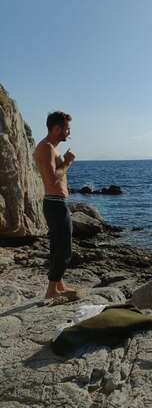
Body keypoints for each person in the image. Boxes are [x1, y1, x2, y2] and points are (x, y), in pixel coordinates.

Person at [33, 111, 76, 301]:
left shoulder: (49, 147)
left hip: (55, 203)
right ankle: (51, 290)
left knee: (58, 245)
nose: (69, 132)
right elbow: (51, 179)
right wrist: (67, 163)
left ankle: (59, 285)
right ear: (57, 128)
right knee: (63, 248)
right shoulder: (47, 147)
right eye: (67, 128)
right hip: (55, 203)